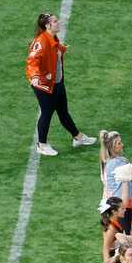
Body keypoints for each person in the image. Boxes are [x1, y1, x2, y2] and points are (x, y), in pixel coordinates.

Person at [27, 11, 94, 158]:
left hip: (57, 82)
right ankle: (42, 145)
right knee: (46, 114)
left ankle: (77, 137)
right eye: (55, 21)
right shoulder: (41, 42)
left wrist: (62, 49)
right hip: (45, 85)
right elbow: (32, 61)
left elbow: (54, 50)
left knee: (63, 111)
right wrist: (35, 76)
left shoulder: (52, 37)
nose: (59, 23)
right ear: (47, 25)